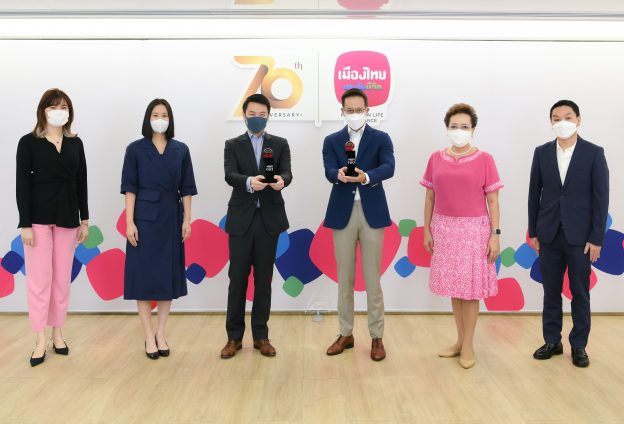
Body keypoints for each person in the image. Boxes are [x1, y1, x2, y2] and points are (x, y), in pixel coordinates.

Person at [420, 103, 502, 369]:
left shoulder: (485, 159)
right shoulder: (435, 158)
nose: (459, 130)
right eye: (454, 126)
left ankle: (468, 344)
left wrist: (495, 235)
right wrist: (427, 229)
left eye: (464, 126)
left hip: (474, 231)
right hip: (444, 229)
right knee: (455, 289)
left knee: (470, 291)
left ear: (473, 130)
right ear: (447, 128)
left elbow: (493, 201)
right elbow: (430, 196)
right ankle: (459, 340)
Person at [528, 100, 609, 368]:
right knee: (550, 291)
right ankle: (552, 341)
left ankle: (579, 345)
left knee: (580, 292)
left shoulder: (594, 153)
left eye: (568, 117)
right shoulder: (541, 153)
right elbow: (534, 194)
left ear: (578, 120)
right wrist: (534, 231)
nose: (562, 122)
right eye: (556, 118)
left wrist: (597, 237)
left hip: (581, 237)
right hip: (549, 233)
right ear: (551, 122)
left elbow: (601, 199)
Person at [16, 88, 89, 367]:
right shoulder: (28, 143)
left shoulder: (75, 143)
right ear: (43, 111)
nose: (59, 111)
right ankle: (39, 338)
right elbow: (22, 185)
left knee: (61, 279)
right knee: (39, 280)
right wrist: (25, 224)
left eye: (63, 107)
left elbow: (81, 182)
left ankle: (58, 333)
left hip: (68, 218)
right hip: (37, 220)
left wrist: (85, 220)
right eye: (53, 107)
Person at [121, 98, 197, 360]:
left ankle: (161, 333)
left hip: (171, 219)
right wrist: (129, 222)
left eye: (164, 115)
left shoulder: (181, 150)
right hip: (143, 219)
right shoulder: (134, 149)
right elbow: (129, 188)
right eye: (155, 114)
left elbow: (187, 188)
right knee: (143, 277)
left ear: (170, 119)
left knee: (167, 276)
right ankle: (147, 334)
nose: (160, 119)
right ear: (148, 118)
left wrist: (187, 219)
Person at [323, 88, 395, 361]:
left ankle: (377, 336)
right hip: (342, 212)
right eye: (349, 110)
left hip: (371, 212)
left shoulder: (381, 138)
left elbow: (389, 167)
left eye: (359, 110)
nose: (354, 114)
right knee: (345, 279)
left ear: (367, 110)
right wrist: (338, 174)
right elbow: (328, 169)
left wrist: (366, 177)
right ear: (342, 111)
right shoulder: (332, 140)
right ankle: (346, 333)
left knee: (373, 279)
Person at [221, 93, 292, 359]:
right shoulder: (232, 145)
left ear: (268, 116)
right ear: (244, 116)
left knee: (263, 281)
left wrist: (282, 181)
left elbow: (287, 172)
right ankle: (234, 337)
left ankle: (261, 336)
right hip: (241, 221)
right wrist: (250, 182)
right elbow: (230, 175)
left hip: (268, 221)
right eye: (252, 115)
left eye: (262, 115)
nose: (257, 119)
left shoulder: (280, 144)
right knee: (237, 280)